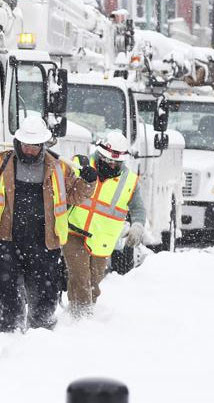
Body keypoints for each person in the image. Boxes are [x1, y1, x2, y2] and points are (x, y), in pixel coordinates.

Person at [0, 115, 97, 332]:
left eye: (34, 147)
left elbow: (75, 195)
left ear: (43, 145)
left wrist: (88, 182)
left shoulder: (59, 168)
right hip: (6, 239)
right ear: (18, 142)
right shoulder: (3, 162)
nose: (29, 151)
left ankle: (42, 328)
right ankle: (10, 328)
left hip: (45, 242)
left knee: (45, 289)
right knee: (6, 287)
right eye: (26, 145)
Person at [63, 131, 146, 317]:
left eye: (115, 162)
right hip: (74, 231)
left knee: (93, 282)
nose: (111, 164)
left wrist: (137, 226)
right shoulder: (79, 164)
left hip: (102, 240)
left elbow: (138, 208)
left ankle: (75, 313)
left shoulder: (130, 181)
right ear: (99, 154)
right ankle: (82, 317)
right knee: (80, 275)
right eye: (107, 160)